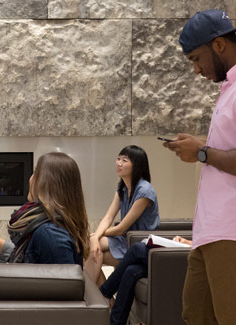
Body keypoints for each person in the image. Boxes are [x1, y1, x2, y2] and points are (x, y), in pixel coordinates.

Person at [164, 9, 236, 324]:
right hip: (208, 232)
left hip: (230, 232)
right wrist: (200, 145)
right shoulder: (228, 90)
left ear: (218, 45)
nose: (196, 70)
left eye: (196, 58)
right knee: (195, 315)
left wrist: (203, 152)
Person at [0, 152, 90, 267]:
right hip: (24, 284)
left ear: (46, 184)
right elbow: (24, 254)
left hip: (25, 298)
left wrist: (7, 277)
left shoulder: (50, 234)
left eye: (36, 173)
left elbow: (64, 289)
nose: (30, 178)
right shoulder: (46, 220)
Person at [85, 145, 159, 285]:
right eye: (118, 159)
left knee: (90, 251)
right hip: (124, 240)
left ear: (136, 165)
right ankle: (102, 299)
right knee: (90, 249)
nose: (119, 163)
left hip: (138, 244)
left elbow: (121, 228)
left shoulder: (145, 191)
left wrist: (97, 236)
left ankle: (97, 298)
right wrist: (96, 237)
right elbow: (108, 217)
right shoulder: (123, 188)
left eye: (125, 160)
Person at [100, 236, 192, 325]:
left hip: (185, 258)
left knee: (136, 248)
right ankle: (115, 323)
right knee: (131, 271)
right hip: (184, 250)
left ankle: (104, 292)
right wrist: (185, 241)